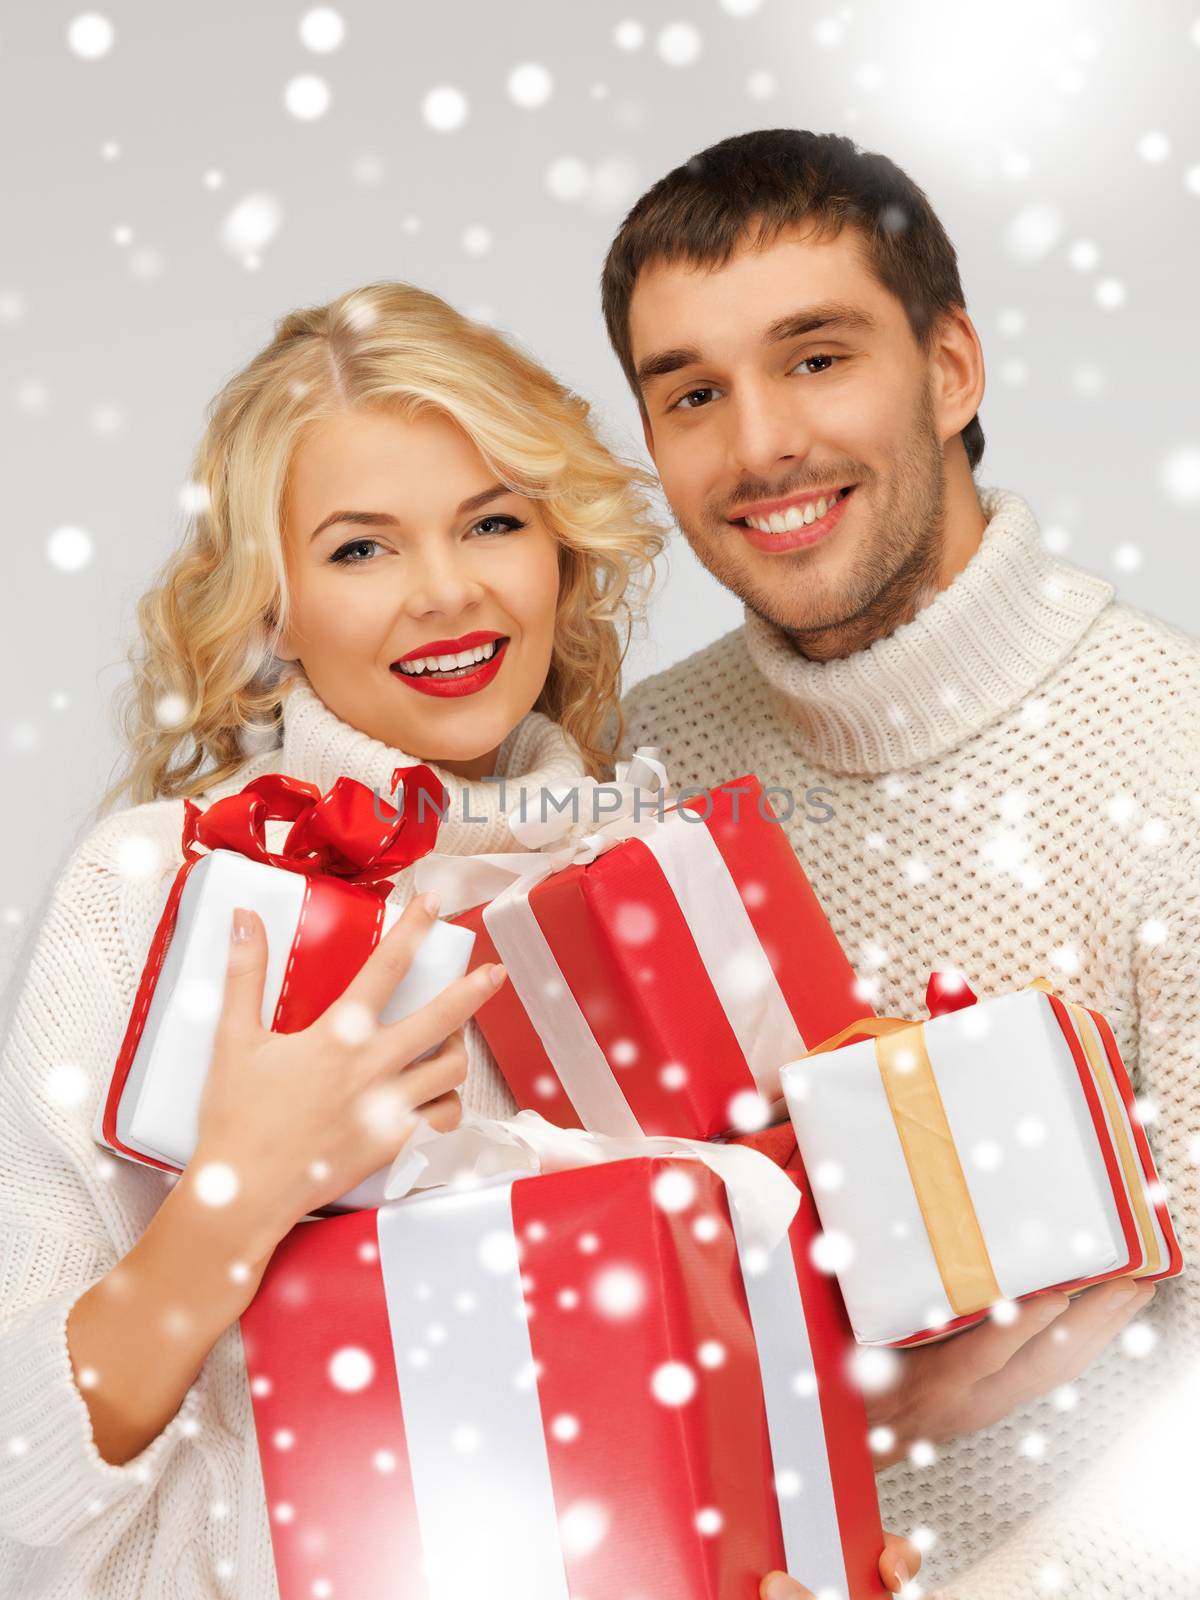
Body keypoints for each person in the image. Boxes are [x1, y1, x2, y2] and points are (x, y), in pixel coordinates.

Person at [0, 278, 918, 1597]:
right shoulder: (160, 886)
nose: (444, 592)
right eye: (359, 549)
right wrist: (240, 1195)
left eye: (492, 522)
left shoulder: (658, 899)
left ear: (560, 553)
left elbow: (759, 1366)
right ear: (271, 604)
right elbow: (25, 1464)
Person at [603, 127, 1199, 1597]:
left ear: (951, 372)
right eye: (693, 393)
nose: (757, 449)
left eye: (816, 358)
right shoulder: (627, 774)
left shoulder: (1172, 767)